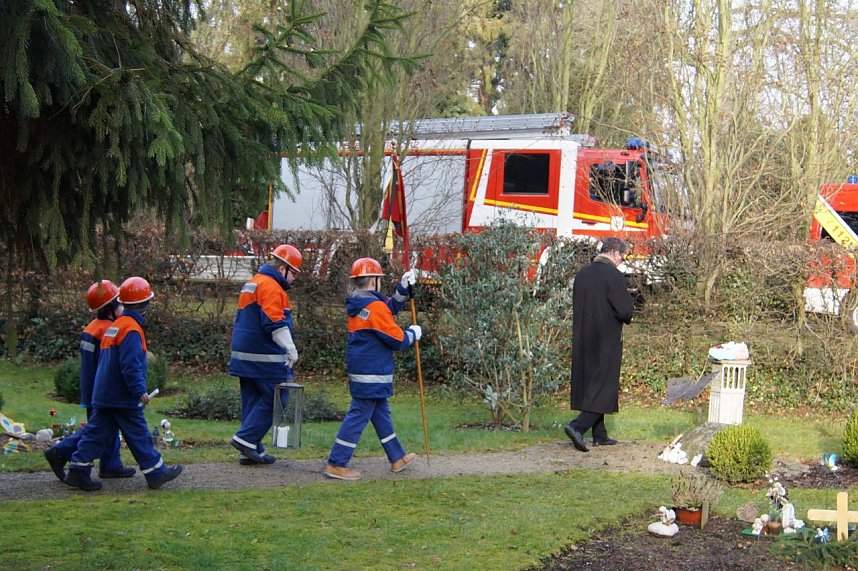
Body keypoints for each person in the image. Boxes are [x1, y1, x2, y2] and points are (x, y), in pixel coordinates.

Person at [64, 277, 183, 491]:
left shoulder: (116, 326)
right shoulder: (132, 330)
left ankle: (77, 470)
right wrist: (139, 391)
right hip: (121, 396)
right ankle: (155, 472)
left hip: (104, 394)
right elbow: (131, 365)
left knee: (95, 434)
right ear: (145, 304)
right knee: (139, 433)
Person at [324, 258, 421, 481]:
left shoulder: (361, 303)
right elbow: (397, 339)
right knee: (358, 415)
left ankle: (397, 457)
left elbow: (388, 308)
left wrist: (402, 288)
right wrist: (413, 334)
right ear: (374, 280)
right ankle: (336, 463)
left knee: (380, 413)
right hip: (372, 371)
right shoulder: (374, 307)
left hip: (364, 368)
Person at [44, 280, 135, 481]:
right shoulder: (109, 330)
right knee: (98, 427)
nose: (121, 306)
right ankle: (60, 451)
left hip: (90, 387)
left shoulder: (91, 327)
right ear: (110, 307)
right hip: (102, 390)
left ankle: (111, 464)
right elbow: (110, 364)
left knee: (108, 425)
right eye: (118, 302)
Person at [227, 244, 302, 465]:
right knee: (278, 397)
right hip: (264, 356)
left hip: (243, 355)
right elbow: (273, 322)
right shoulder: (271, 287)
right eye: (294, 273)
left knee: (252, 401)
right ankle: (246, 439)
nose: (294, 279)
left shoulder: (254, 282)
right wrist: (290, 348)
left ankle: (250, 450)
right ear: (282, 269)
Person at [565, 237, 634, 452]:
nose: (622, 261)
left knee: (592, 384)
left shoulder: (582, 275)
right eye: (623, 256)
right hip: (606, 339)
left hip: (583, 337)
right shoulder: (614, 276)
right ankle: (578, 426)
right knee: (604, 384)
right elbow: (625, 311)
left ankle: (599, 434)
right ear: (614, 252)